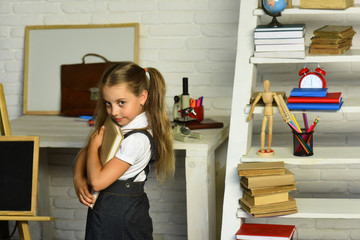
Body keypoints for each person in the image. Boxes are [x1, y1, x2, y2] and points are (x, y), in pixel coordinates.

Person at [73, 62, 175, 239]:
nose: (114, 111)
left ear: (143, 97)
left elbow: (97, 182)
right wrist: (78, 177)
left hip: (124, 219)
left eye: (121, 103)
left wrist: (93, 145)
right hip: (105, 215)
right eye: (108, 103)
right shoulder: (120, 123)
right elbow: (89, 150)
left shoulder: (136, 140)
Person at [247, 79, 286, 157]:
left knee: (270, 130)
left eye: (267, 84)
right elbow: (253, 104)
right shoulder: (261, 94)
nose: (266, 86)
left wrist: (283, 116)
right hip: (265, 112)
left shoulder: (273, 94)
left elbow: (279, 105)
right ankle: (262, 148)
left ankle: (268, 147)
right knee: (263, 130)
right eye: (265, 85)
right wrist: (250, 115)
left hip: (270, 111)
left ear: (269, 85)